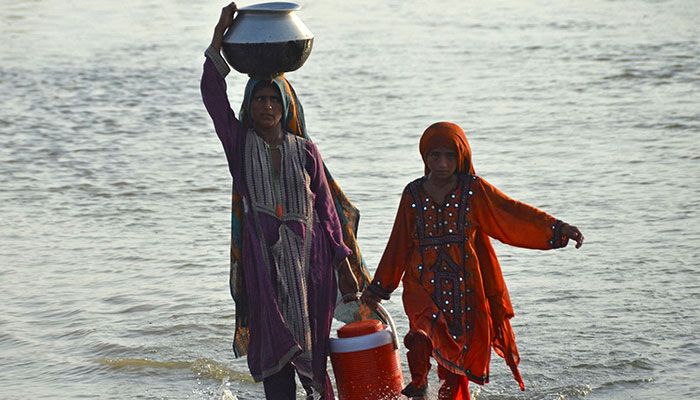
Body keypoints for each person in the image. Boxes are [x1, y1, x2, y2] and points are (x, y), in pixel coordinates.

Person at [200, 3, 371, 399]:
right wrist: (218, 36)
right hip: (264, 266)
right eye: (258, 99)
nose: (266, 106)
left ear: (286, 106)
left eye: (273, 99)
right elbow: (212, 95)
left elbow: (327, 215)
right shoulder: (240, 145)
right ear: (250, 106)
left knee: (315, 359)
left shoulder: (306, 152)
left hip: (311, 264)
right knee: (275, 356)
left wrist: (344, 268)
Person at [360, 122, 584, 399]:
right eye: (435, 156)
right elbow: (399, 242)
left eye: (450, 156)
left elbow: (511, 214)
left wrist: (556, 228)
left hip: (464, 288)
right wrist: (379, 288)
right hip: (421, 282)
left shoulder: (473, 190)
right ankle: (419, 386)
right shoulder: (413, 193)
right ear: (425, 157)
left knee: (455, 356)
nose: (442, 163)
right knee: (420, 335)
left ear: (461, 157)